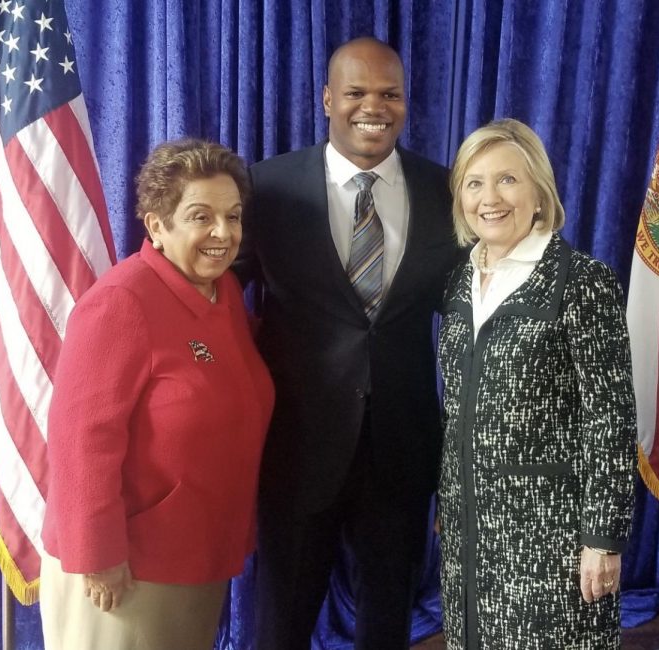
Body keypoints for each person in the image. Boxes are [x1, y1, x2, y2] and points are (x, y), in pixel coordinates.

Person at [235, 37, 459, 649]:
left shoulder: (446, 192)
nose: (374, 107)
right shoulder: (267, 188)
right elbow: (219, 297)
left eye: (390, 94)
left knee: (388, 623)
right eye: (357, 92)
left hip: (401, 448)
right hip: (298, 446)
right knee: (281, 623)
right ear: (327, 99)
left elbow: (472, 305)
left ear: (407, 103)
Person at [39, 139, 275, 650]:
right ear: (157, 226)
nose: (222, 233)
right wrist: (98, 554)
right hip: (129, 565)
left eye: (233, 217)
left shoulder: (223, 292)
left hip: (198, 552)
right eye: (200, 216)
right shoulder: (121, 303)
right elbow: (79, 440)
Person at [436, 119, 636, 648]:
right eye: (474, 182)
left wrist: (603, 537)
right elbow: (456, 405)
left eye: (507, 180)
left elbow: (611, 417)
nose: (489, 198)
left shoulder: (581, 282)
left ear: (539, 194)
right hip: (469, 527)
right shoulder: (459, 278)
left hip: (551, 533)